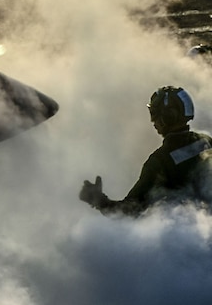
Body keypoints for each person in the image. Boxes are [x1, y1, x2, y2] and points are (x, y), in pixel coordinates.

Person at [80, 85, 212, 215]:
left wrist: (98, 200)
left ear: (168, 117)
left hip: (183, 229)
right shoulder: (206, 141)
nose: (153, 121)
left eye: (155, 115)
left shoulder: (159, 161)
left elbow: (127, 211)